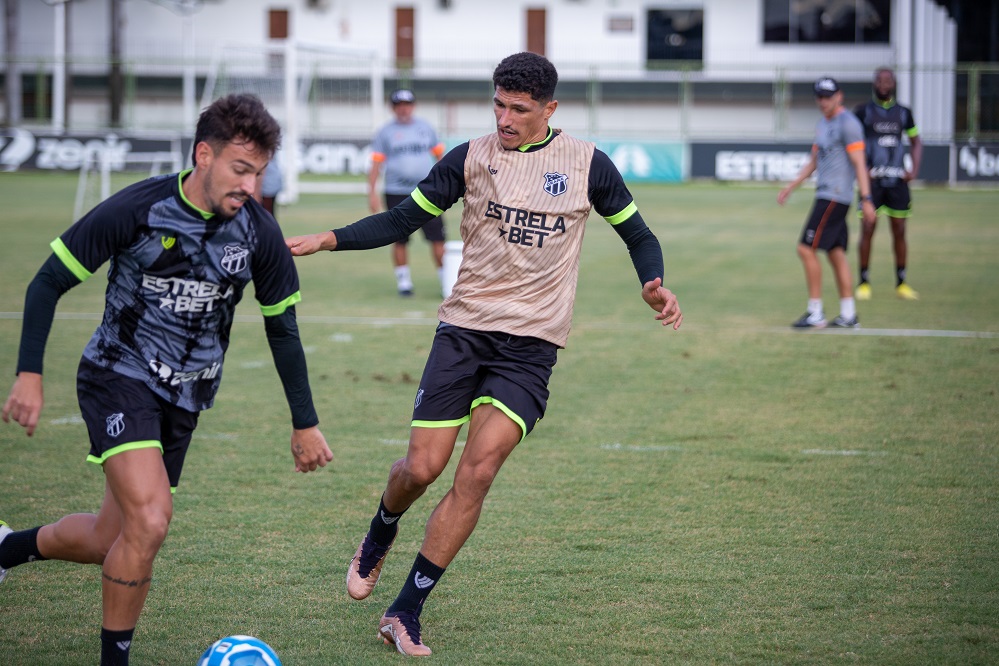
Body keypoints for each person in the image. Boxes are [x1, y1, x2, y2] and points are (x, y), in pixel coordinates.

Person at [286, 51, 683, 657]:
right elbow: (401, 220)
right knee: (422, 469)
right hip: (464, 332)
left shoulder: (587, 165)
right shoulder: (469, 157)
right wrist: (328, 239)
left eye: (518, 109)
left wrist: (652, 282)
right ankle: (381, 529)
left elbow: (639, 234)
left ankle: (405, 611)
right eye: (498, 105)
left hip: (531, 346)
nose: (504, 118)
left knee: (477, 471)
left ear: (549, 109)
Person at [0, 93, 333, 666]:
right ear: (204, 155)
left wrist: (305, 423)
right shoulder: (140, 208)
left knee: (111, 537)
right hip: (117, 374)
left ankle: (7, 549)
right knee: (151, 521)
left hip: (187, 395)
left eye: (258, 173)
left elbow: (284, 330)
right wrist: (29, 373)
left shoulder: (259, 232)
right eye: (240, 169)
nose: (250, 185)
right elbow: (47, 282)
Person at [778, 76, 876, 329]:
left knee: (805, 249)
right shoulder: (822, 123)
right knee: (835, 253)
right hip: (826, 194)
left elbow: (859, 163)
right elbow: (814, 161)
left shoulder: (848, 123)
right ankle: (848, 315)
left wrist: (866, 199)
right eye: (819, 97)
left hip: (834, 196)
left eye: (828, 96)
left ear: (839, 96)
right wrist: (791, 186)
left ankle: (815, 313)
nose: (823, 101)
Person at [367, 88, 447, 297]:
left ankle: (445, 281)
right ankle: (404, 283)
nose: (403, 109)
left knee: (437, 237)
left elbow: (441, 158)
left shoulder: (425, 128)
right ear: (393, 108)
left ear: (413, 106)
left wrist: (446, 183)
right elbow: (376, 164)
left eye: (407, 104)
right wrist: (372, 193)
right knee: (399, 238)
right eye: (399, 105)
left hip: (427, 191)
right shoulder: (385, 132)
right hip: (396, 192)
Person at [853, 67, 923, 301]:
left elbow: (916, 141)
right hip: (872, 183)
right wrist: (861, 169)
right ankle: (863, 282)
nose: (884, 85)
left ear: (894, 84)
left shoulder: (903, 113)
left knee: (900, 231)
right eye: (880, 81)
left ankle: (901, 282)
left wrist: (914, 169)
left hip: (897, 182)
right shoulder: (863, 112)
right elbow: (853, 143)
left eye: (888, 81)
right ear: (874, 84)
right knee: (867, 229)